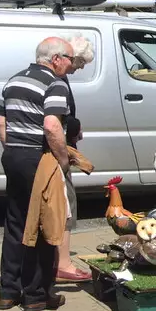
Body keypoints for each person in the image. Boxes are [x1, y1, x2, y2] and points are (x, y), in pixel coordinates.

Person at [0, 38, 75, 311]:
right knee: (43, 225)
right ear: (56, 59)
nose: (71, 64)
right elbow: (52, 125)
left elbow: (2, 122)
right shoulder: (54, 83)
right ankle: (36, 294)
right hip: (38, 159)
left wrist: (14, 149)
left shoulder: (14, 80)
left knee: (16, 221)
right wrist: (63, 160)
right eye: (70, 59)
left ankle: (8, 290)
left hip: (14, 155)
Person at [55, 35, 95, 282]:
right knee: (66, 205)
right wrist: (74, 127)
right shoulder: (58, 81)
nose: (80, 67)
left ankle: (57, 260)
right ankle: (63, 263)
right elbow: (57, 120)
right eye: (80, 62)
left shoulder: (58, 79)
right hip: (59, 150)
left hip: (59, 146)